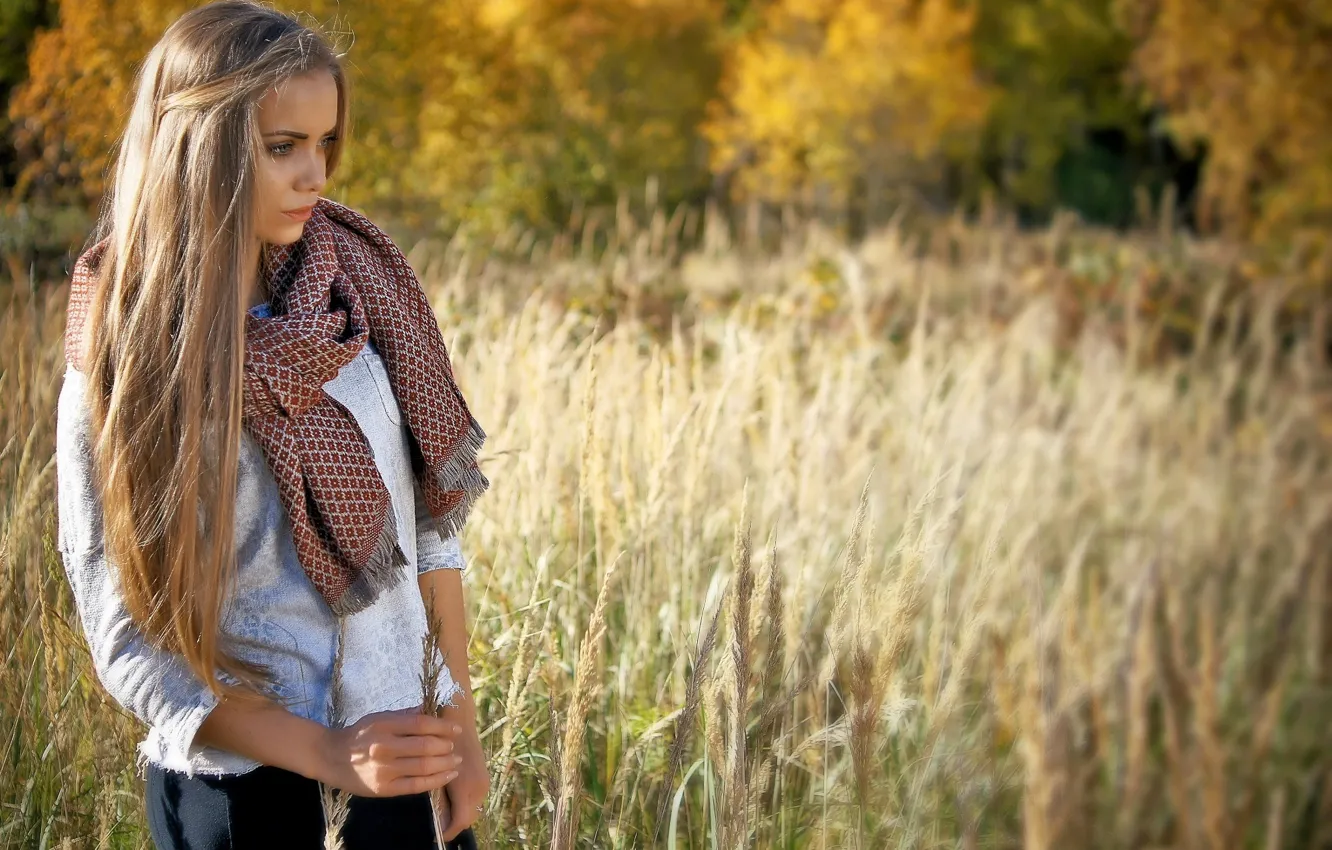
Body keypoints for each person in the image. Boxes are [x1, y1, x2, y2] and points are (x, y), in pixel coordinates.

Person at [53, 2, 491, 846]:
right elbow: (123, 634)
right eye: (282, 146)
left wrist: (458, 726)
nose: (316, 174)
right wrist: (328, 753)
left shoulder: (355, 295)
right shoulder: (127, 352)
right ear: (197, 147)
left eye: (326, 142)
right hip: (245, 798)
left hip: (404, 767)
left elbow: (427, 531)